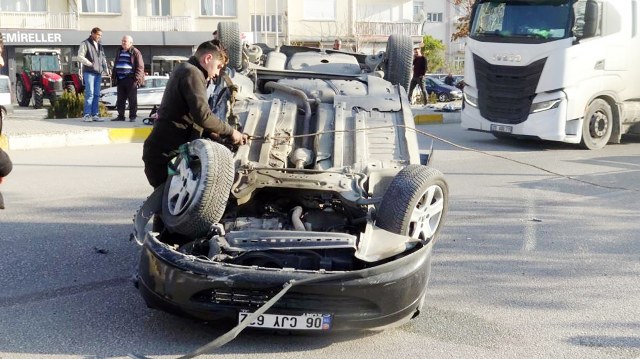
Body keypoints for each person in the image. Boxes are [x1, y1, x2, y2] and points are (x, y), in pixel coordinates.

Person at [142, 40, 247, 189]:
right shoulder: (192, 72)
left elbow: (191, 118)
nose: (217, 73)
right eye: (218, 67)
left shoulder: (186, 69)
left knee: (170, 204)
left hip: (164, 151)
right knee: (169, 205)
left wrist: (216, 135)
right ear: (208, 58)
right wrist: (231, 132)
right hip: (165, 155)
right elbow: (203, 116)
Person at [77, 27, 109, 122]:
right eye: (98, 35)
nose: (99, 37)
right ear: (92, 33)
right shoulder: (85, 43)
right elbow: (80, 56)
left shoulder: (99, 45)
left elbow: (103, 58)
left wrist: (106, 69)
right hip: (89, 72)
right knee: (90, 94)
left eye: (100, 35)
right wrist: (90, 64)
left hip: (98, 73)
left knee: (96, 94)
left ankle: (95, 115)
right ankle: (87, 115)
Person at [111, 35, 145, 122]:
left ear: (130, 43)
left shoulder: (135, 52)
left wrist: (136, 78)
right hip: (120, 79)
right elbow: (116, 63)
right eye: (122, 41)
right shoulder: (119, 51)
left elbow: (140, 66)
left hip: (131, 79)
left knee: (132, 99)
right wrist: (114, 75)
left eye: (125, 41)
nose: (123, 43)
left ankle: (132, 116)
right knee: (120, 99)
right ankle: (121, 116)